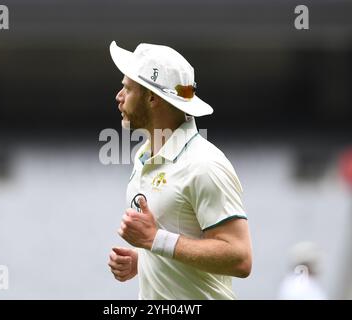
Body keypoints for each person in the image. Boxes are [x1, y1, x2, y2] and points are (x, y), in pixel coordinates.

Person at [107, 41, 252, 299]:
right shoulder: (144, 156)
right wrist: (144, 261)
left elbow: (240, 258)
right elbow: (177, 237)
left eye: (127, 88)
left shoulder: (204, 164)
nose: (118, 96)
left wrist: (154, 240)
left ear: (152, 97)